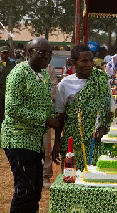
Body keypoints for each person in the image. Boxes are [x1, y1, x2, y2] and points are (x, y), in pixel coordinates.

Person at [1, 37, 59, 212]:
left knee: (35, 190)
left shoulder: (44, 76)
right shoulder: (19, 74)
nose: (47, 57)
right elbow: (12, 108)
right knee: (24, 190)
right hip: (18, 140)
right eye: (42, 53)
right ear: (29, 53)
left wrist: (53, 121)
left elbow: (47, 106)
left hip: (35, 142)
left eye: (50, 53)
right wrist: (45, 119)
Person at [53, 44, 112, 171]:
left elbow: (109, 108)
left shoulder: (101, 79)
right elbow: (60, 116)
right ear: (73, 62)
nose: (89, 64)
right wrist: (57, 143)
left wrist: (103, 127)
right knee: (73, 178)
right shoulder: (65, 84)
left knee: (97, 179)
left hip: (97, 141)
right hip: (74, 142)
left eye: (91, 60)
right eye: (84, 61)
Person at [43, 64, 58, 189]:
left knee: (46, 145)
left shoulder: (49, 69)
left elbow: (54, 87)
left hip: (45, 113)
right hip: (28, 116)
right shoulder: (21, 68)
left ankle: (45, 175)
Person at [0, 46, 16, 131]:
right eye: (3, 53)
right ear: (0, 53)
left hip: (9, 90)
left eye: (6, 53)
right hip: (0, 90)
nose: (5, 55)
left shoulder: (12, 64)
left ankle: (6, 128)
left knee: (8, 110)